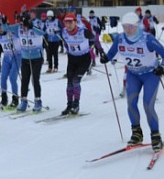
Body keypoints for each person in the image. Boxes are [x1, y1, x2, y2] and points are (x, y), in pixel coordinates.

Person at [100, 12, 164, 151]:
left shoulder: (148, 38)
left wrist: (162, 67)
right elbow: (111, 53)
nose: (128, 30)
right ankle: (137, 133)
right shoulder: (120, 38)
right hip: (133, 74)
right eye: (125, 26)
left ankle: (155, 135)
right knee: (131, 103)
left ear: (137, 26)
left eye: (131, 27)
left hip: (150, 74)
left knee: (148, 104)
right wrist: (106, 58)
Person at [60, 13, 95, 115]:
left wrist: (93, 47)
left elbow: (93, 39)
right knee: (69, 82)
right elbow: (65, 43)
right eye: (66, 22)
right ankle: (69, 105)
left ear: (75, 22)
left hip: (84, 59)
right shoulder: (64, 32)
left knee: (76, 80)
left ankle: (76, 105)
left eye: (70, 22)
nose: (68, 24)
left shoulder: (83, 31)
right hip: (72, 59)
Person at [0, 12, 21, 107]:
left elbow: (19, 28)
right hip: (6, 58)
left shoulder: (12, 31)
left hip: (16, 57)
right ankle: (4, 98)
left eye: (0, 26)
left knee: (12, 78)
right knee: (3, 78)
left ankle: (15, 98)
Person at [14, 18, 46, 112]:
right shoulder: (19, 29)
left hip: (36, 58)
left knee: (35, 79)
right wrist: (4, 22)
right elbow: (7, 29)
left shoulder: (34, 28)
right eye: (21, 25)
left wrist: (32, 27)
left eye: (24, 25)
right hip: (25, 58)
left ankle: (38, 100)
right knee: (24, 80)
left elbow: (42, 33)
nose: (22, 27)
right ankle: (23, 101)